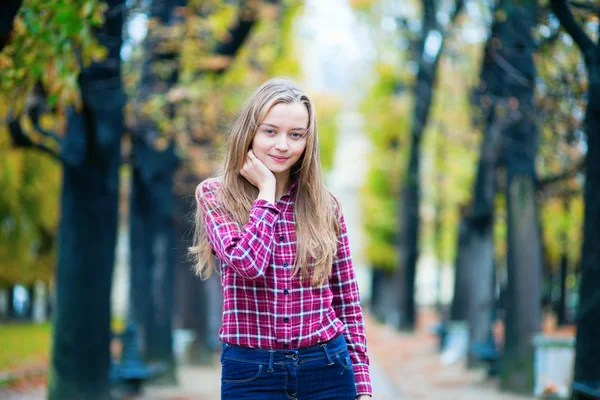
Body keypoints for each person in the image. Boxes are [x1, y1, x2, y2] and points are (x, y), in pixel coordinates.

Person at [190, 77, 372, 399]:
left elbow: (347, 300)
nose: (283, 145)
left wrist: (363, 389)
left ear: (307, 141)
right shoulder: (215, 195)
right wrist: (266, 193)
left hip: (328, 367)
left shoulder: (325, 205)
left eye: (296, 135)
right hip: (251, 373)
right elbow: (248, 263)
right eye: (270, 131)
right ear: (250, 131)